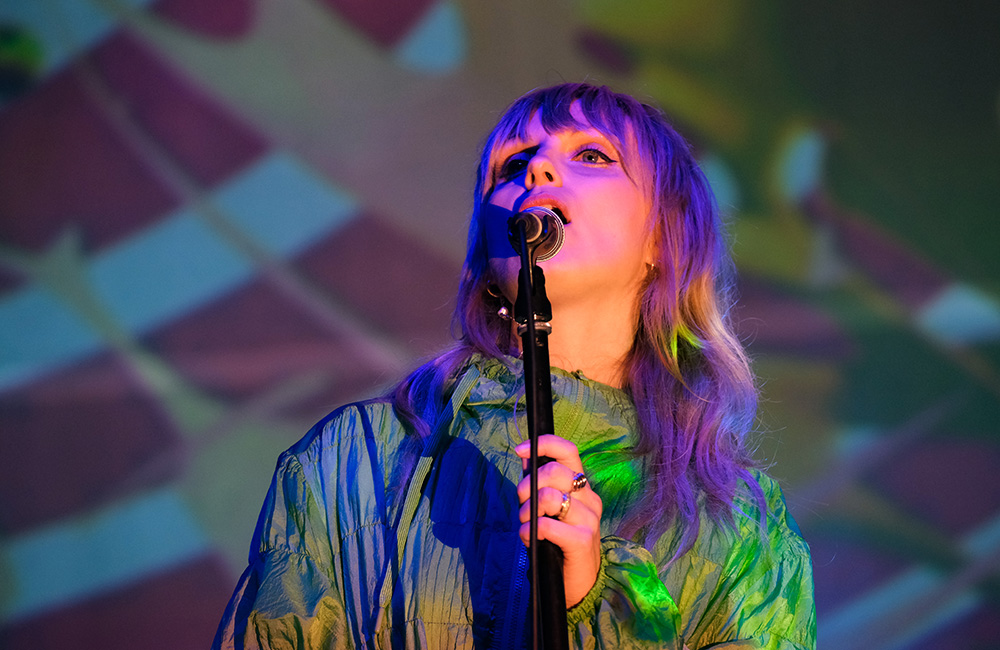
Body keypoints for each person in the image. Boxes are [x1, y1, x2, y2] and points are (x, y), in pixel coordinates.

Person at [213, 83, 816, 649]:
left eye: (593, 156)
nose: (538, 169)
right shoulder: (356, 459)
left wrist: (587, 604)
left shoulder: (739, 528)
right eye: (511, 166)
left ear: (665, 237)